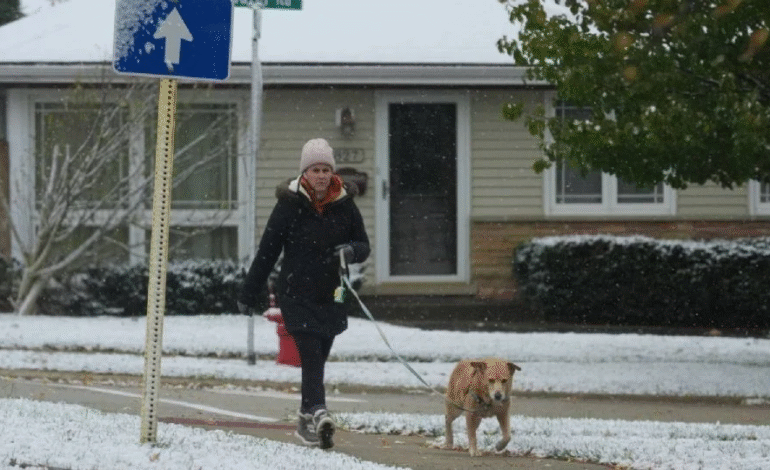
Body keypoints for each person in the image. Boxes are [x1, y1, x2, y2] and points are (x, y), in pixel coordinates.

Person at [238, 137, 370, 449]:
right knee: (310, 352)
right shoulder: (289, 205)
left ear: (332, 172)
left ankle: (304, 416)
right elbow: (267, 252)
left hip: (333, 292)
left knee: (320, 355)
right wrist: (249, 291)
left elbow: (364, 245)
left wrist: (351, 251)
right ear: (305, 173)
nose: (321, 175)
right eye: (315, 169)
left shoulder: (345, 205)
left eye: (326, 169)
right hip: (296, 291)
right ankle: (320, 412)